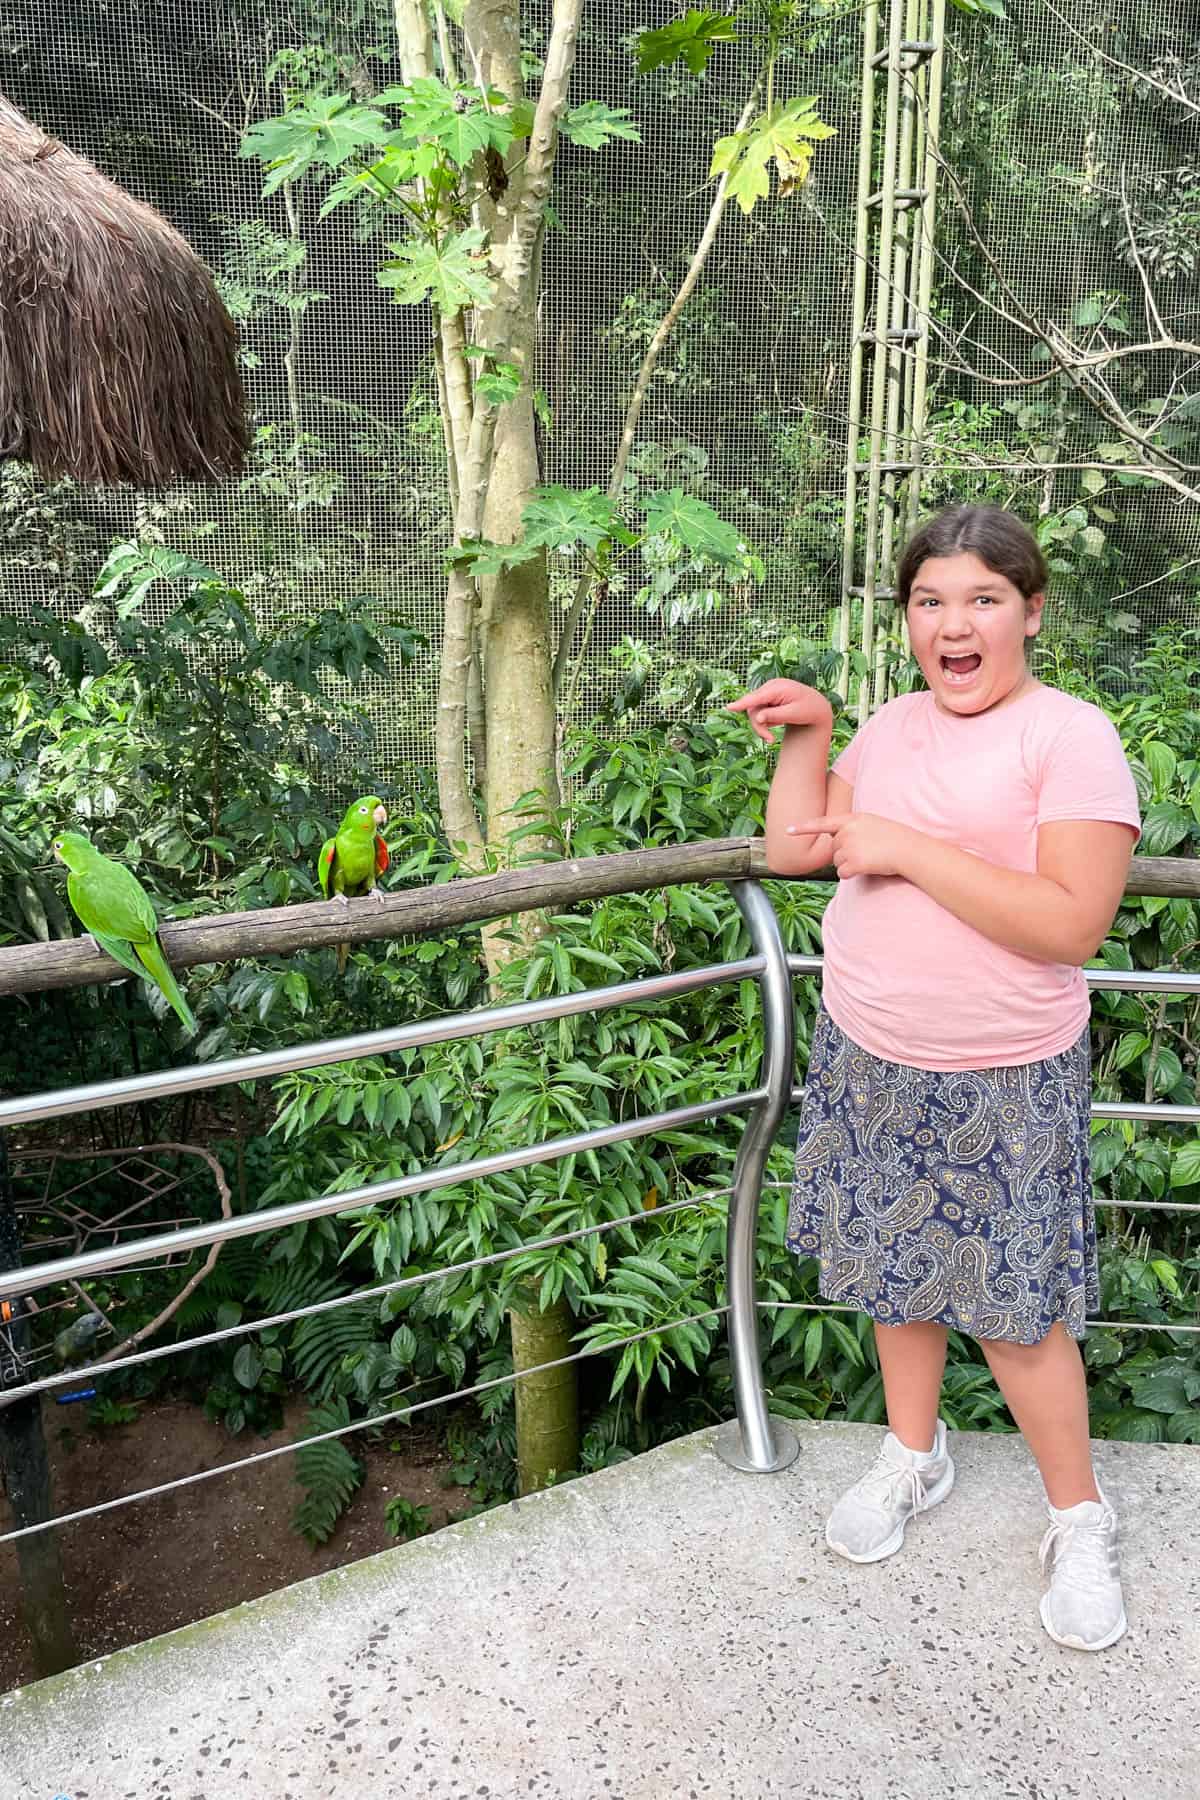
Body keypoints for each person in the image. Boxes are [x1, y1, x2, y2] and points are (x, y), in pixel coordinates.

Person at [727, 504, 1141, 1652]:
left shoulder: (1070, 737)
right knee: (897, 1281)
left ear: (1031, 614)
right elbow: (799, 850)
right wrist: (811, 734)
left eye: (982, 600)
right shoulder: (896, 728)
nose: (952, 624)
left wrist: (909, 847)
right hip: (870, 1055)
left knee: (1017, 1316)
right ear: (908, 618)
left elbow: (1072, 923)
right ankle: (916, 1454)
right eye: (929, 602)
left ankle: (1079, 1517)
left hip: (1004, 1075)